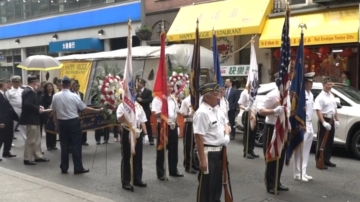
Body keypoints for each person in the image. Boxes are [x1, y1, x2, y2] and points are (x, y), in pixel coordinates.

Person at [51, 76, 100, 174]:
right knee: (76, 145)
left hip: (62, 123)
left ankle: (64, 167)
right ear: (70, 85)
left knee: (64, 145)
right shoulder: (74, 96)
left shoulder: (55, 96)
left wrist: (56, 124)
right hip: (73, 122)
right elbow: (84, 108)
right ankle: (78, 167)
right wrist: (96, 110)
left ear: (62, 84)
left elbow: (54, 111)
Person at [193, 82, 230, 202]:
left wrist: (227, 134)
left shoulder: (217, 110)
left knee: (217, 185)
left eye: (219, 93)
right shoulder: (202, 113)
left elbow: (226, 124)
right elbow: (198, 137)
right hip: (208, 153)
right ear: (206, 97)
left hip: (220, 152)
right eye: (216, 94)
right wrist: (202, 160)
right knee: (206, 187)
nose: (219, 96)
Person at [258, 72, 289, 195]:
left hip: (283, 128)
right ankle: (270, 184)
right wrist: (273, 111)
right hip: (272, 127)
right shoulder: (272, 95)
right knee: (272, 156)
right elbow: (260, 110)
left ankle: (277, 182)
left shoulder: (287, 96)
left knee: (280, 157)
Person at [151, 82, 183, 180]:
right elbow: (154, 113)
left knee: (174, 149)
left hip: (173, 124)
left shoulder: (173, 98)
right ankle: (161, 173)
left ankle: (173, 170)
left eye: (170, 87)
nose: (169, 88)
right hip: (163, 126)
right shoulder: (157, 99)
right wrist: (163, 111)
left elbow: (176, 112)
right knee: (162, 149)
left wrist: (177, 125)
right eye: (167, 86)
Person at [117, 93, 148, 191]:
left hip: (137, 131)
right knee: (126, 156)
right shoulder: (122, 106)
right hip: (127, 130)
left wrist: (146, 134)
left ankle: (137, 179)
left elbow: (142, 120)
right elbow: (119, 120)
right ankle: (126, 181)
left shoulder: (139, 106)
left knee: (138, 156)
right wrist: (125, 113)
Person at [20, 76, 49, 165]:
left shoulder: (30, 91)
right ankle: (27, 158)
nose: (38, 85)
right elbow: (27, 104)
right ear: (34, 83)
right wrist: (37, 109)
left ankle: (38, 156)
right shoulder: (29, 92)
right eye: (37, 83)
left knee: (37, 139)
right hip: (31, 119)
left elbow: (31, 103)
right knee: (31, 140)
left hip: (34, 119)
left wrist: (38, 106)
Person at [293, 72, 315, 182]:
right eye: (310, 82)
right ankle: (298, 173)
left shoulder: (311, 94)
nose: (311, 84)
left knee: (306, 150)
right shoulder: (301, 95)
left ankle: (304, 171)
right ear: (305, 82)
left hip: (310, 123)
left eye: (312, 82)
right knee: (300, 150)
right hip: (303, 124)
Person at [314, 77, 339, 169]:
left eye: (331, 84)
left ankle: (326, 159)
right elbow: (318, 110)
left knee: (329, 141)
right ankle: (319, 160)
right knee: (322, 141)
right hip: (324, 120)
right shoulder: (320, 97)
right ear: (323, 85)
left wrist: (337, 120)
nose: (330, 86)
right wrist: (323, 122)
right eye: (328, 84)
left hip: (331, 120)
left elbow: (334, 109)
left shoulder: (331, 95)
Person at [179, 94, 198, 174]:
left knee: (196, 145)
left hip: (198, 124)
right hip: (189, 123)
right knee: (188, 146)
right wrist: (189, 114)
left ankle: (195, 163)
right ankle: (188, 165)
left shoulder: (199, 99)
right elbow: (182, 114)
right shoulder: (186, 100)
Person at [238, 85, 259, 159]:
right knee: (248, 133)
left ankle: (251, 150)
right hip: (248, 113)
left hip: (254, 114)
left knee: (253, 134)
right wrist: (245, 108)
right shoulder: (245, 92)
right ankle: (246, 152)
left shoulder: (255, 93)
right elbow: (240, 104)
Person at [0, 79, 19, 160]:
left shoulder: (4, 94)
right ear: (2, 86)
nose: (8, 85)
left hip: (9, 119)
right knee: (1, 138)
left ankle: (6, 152)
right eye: (6, 84)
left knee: (9, 136)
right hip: (3, 120)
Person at [5, 76, 26, 142]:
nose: (16, 83)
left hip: (22, 109)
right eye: (15, 82)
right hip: (14, 109)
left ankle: (26, 141)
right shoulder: (9, 91)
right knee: (12, 126)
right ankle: (9, 141)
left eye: (18, 82)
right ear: (12, 83)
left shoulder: (23, 90)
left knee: (23, 125)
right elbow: (7, 102)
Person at [71, 81, 89, 146]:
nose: (77, 87)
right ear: (72, 86)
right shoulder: (71, 93)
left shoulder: (81, 94)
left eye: (78, 86)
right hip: (74, 112)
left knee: (84, 126)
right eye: (76, 86)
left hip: (81, 111)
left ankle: (84, 140)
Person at [136, 78, 153, 145]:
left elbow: (150, 100)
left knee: (147, 124)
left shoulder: (148, 91)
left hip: (145, 110)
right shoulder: (136, 91)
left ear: (143, 84)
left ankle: (150, 139)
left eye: (139, 83)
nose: (138, 84)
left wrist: (142, 100)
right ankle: (140, 137)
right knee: (138, 124)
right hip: (138, 110)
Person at [42, 83, 57, 150]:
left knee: (54, 129)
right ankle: (49, 145)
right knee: (48, 130)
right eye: (48, 87)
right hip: (47, 114)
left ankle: (54, 144)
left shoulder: (55, 96)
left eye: (51, 86)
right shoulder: (43, 96)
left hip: (54, 114)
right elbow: (43, 106)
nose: (50, 88)